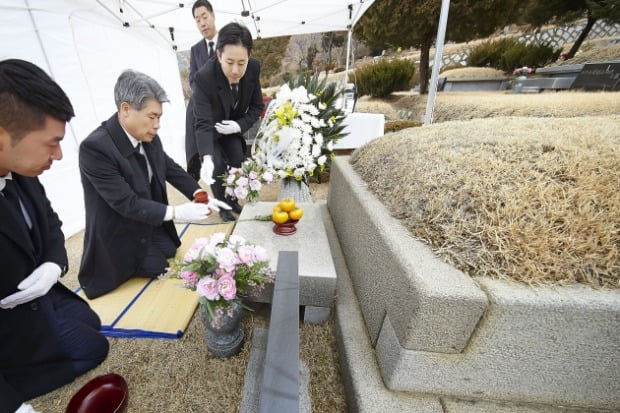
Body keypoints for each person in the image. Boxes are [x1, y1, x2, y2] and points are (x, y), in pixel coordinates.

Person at [0, 59, 108, 413]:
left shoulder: (21, 169)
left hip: (41, 297)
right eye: (52, 143)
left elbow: (50, 223)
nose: (59, 155)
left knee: (91, 322)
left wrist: (51, 263)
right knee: (94, 348)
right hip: (10, 325)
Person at [78, 69, 229, 300]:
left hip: (148, 220)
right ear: (126, 110)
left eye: (159, 117)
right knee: (161, 267)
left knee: (170, 251)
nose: (157, 125)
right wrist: (178, 212)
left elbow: (168, 167)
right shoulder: (95, 148)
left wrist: (198, 192)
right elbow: (125, 202)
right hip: (120, 231)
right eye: (152, 116)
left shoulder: (147, 135)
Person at [192, 22, 264, 222]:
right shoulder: (203, 78)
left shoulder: (253, 69)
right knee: (216, 165)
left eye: (242, 63)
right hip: (209, 125)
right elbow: (203, 124)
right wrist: (205, 156)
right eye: (229, 62)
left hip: (231, 125)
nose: (235, 70)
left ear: (249, 56)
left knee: (236, 158)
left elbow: (257, 106)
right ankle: (222, 205)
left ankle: (233, 200)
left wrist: (239, 125)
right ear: (219, 55)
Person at [185, 0, 218, 181]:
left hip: (225, 99)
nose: (202, 23)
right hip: (204, 101)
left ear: (213, 15)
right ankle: (193, 161)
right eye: (197, 20)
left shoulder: (228, 43)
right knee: (193, 103)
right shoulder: (195, 49)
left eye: (204, 17)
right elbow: (192, 79)